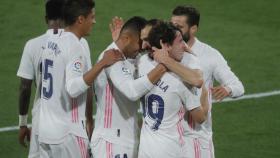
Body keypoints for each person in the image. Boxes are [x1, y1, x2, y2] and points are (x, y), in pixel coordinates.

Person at [39, 0, 122, 157]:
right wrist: (102, 63)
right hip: (67, 133)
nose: (94, 21)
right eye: (92, 17)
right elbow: (73, 89)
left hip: (45, 131)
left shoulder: (51, 41)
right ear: (80, 19)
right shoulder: (75, 45)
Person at [171, 5, 245, 158]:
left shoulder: (209, 55)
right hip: (169, 136)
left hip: (196, 138)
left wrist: (228, 89)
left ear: (193, 29)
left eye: (179, 27)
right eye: (171, 25)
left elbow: (238, 87)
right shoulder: (163, 51)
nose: (173, 30)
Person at [91, 16, 168, 158]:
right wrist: (164, 66)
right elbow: (131, 91)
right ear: (127, 38)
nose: (143, 47)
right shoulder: (111, 57)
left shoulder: (126, 57)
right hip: (111, 142)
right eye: (140, 42)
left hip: (124, 140)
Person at [137, 21, 209, 158]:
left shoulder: (143, 63)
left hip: (145, 149)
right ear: (165, 45)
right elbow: (200, 117)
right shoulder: (181, 82)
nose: (184, 46)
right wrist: (205, 90)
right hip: (171, 150)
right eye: (180, 41)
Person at [17, 0, 64, 157]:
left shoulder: (32, 45)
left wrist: (23, 124)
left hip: (41, 118)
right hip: (67, 116)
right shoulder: (77, 43)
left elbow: (24, 87)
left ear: (46, 19)